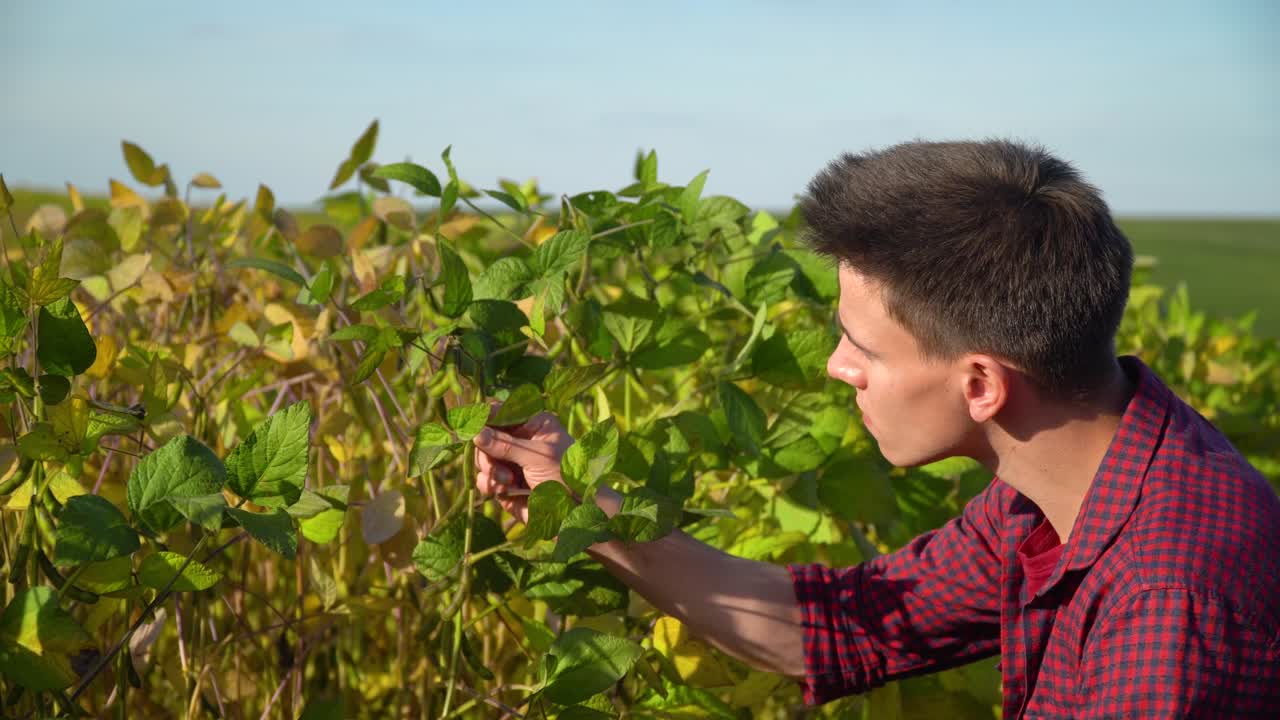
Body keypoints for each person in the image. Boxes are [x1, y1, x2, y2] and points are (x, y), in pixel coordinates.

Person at [472, 139, 1280, 719]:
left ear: (980, 384)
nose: (835, 367)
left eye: (861, 347)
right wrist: (581, 502)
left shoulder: (1169, 600)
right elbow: (844, 628)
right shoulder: (1060, 479)